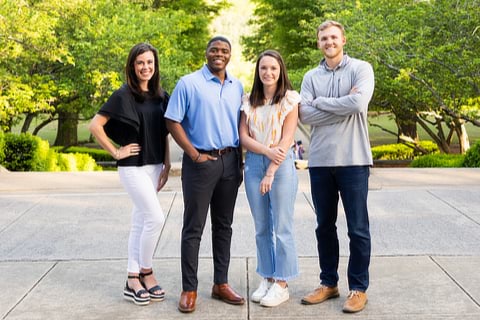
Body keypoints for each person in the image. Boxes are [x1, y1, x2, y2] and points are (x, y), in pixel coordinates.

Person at [298, 20, 375, 313]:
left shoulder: (361, 68)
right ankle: (328, 283)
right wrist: (341, 104)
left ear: (343, 39)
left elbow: (358, 105)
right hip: (319, 162)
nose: (329, 41)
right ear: (318, 43)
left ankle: (358, 288)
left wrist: (322, 103)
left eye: (333, 37)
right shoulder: (309, 76)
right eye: (323, 38)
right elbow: (304, 114)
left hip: (354, 160)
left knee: (357, 228)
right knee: (324, 227)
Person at [164, 36, 245, 313]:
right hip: (200, 163)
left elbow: (241, 125)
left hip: (230, 162)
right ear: (206, 52)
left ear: (230, 55)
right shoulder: (189, 83)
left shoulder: (237, 86)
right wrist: (194, 154)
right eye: (214, 50)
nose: (218, 54)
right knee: (193, 227)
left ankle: (220, 283)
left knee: (224, 226)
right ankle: (189, 288)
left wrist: (240, 164)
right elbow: (172, 119)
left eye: (224, 51)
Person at [89, 43, 170, 306]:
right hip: (132, 167)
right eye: (140, 63)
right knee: (156, 218)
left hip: (154, 165)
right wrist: (115, 152)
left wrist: (167, 165)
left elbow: (164, 132)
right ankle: (146, 271)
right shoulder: (123, 95)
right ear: (132, 66)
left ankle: (132, 278)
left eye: (149, 62)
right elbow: (95, 125)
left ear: (155, 65)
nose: (145, 67)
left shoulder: (161, 96)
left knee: (140, 221)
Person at [239, 50, 300, 307]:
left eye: (273, 68)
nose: (268, 73)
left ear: (280, 70)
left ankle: (282, 282)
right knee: (262, 226)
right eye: (264, 68)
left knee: (282, 226)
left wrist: (271, 171)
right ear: (258, 71)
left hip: (281, 165)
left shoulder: (289, 99)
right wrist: (264, 153)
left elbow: (286, 139)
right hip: (253, 163)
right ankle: (267, 275)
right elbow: (243, 137)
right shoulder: (248, 100)